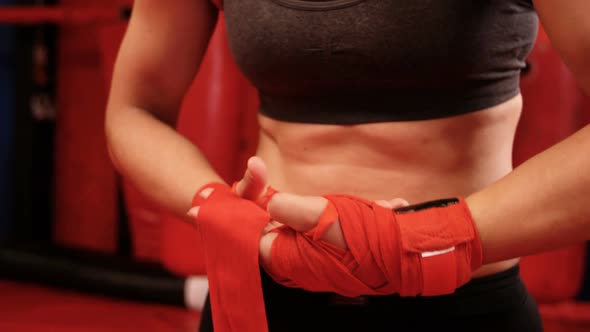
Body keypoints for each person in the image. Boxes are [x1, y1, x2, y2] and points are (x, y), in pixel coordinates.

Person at [105, 0, 590, 331]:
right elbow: (133, 111)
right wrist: (216, 207)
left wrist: (421, 239)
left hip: (456, 301)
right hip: (262, 296)